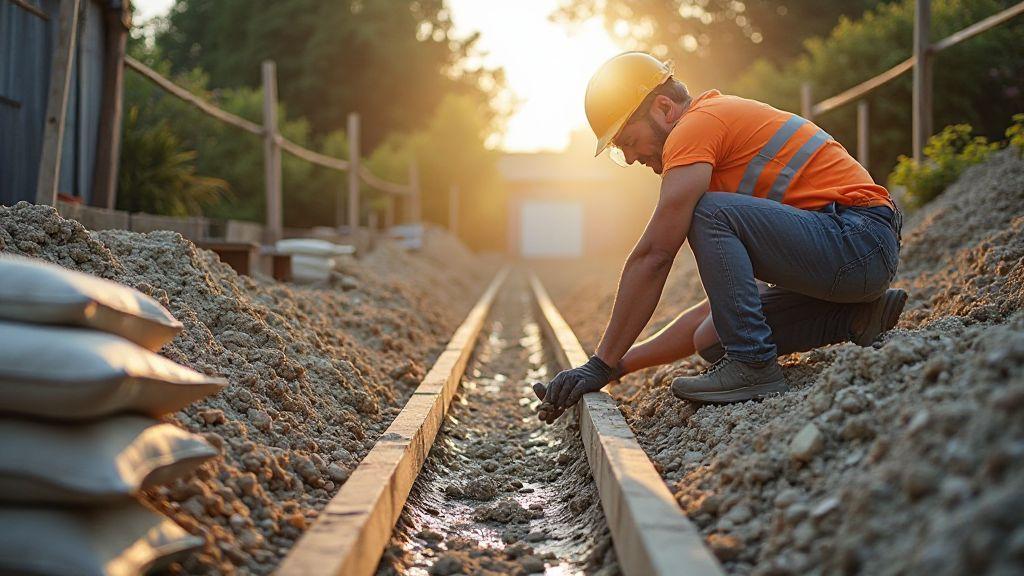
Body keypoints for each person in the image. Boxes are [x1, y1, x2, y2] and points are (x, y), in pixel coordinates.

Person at [535, 52, 905, 422]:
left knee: (706, 211)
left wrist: (599, 362)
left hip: (857, 238)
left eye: (629, 141)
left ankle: (753, 364)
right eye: (621, 152)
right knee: (711, 338)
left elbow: (655, 255)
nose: (631, 158)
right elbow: (717, 307)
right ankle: (858, 315)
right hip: (850, 250)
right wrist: (618, 367)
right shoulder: (718, 147)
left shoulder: (694, 128)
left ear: (664, 108)